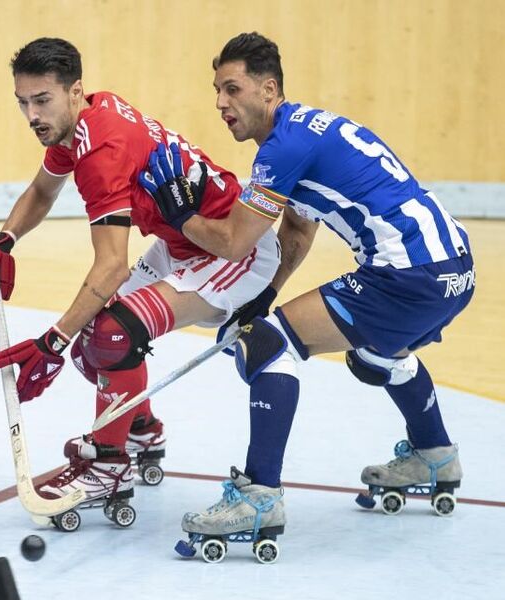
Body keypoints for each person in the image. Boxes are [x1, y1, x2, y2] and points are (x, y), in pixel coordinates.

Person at [141, 32, 474, 540]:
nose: (220, 103)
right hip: (453, 270)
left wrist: (182, 216)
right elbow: (298, 227)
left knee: (267, 346)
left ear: (268, 89)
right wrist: (264, 296)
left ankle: (259, 498)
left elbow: (232, 241)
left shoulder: (283, 147)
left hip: (405, 276)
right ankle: (435, 456)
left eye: (232, 89)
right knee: (374, 357)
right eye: (217, 90)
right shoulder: (307, 129)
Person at [0, 37, 280, 512]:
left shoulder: (101, 150)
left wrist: (51, 342)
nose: (32, 114)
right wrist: (4, 239)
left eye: (42, 100)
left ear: (75, 92)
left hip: (231, 254)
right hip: (183, 243)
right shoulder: (84, 121)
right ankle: (139, 428)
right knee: (95, 337)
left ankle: (109, 467)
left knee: (109, 334)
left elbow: (112, 264)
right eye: (23, 102)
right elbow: (41, 191)